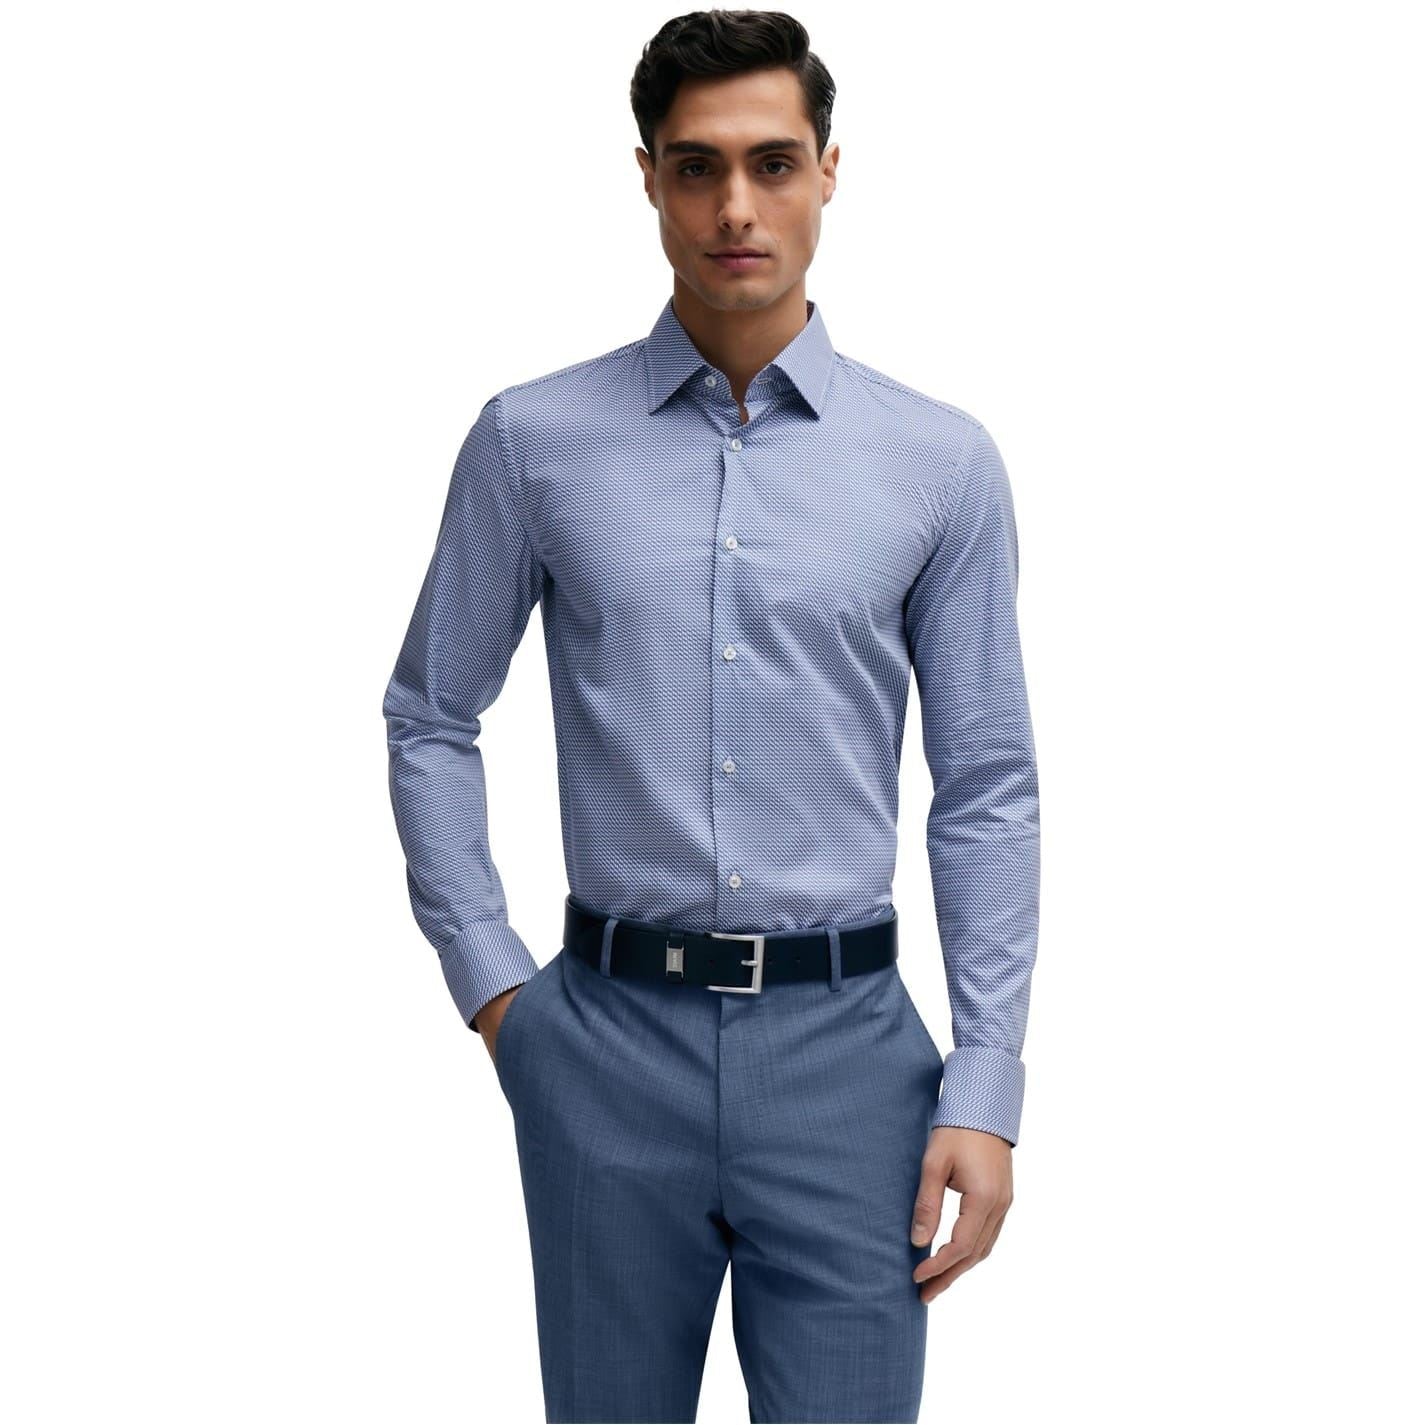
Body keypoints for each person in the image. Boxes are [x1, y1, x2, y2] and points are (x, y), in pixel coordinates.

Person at [381, 10, 1040, 1422]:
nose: (736, 206)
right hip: (602, 1049)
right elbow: (431, 713)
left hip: (853, 1064)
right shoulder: (530, 441)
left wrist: (984, 1083)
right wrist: (499, 994)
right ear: (648, 179)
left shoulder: (940, 463)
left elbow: (986, 781)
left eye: (771, 163)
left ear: (828, 171)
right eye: (697, 167)